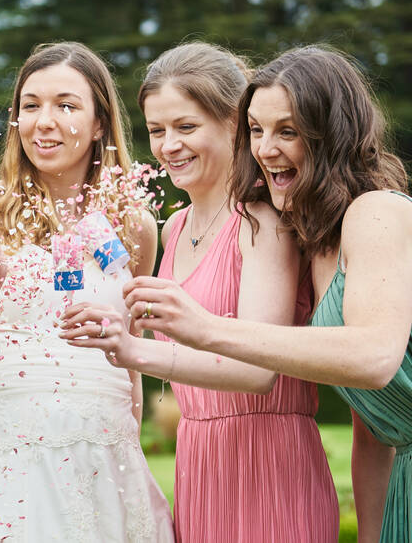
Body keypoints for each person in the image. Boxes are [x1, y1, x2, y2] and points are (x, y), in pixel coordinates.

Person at [126, 45, 412, 542]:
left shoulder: (377, 212)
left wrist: (205, 329)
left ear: (332, 134)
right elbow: (373, 426)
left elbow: (373, 357)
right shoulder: (319, 247)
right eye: (257, 130)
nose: (265, 149)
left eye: (287, 131)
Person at [61, 42, 338, 542]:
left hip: (268, 460)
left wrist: (131, 349)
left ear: (234, 123)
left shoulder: (262, 222)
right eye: (157, 131)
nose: (169, 145)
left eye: (186, 127)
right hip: (199, 461)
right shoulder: (175, 227)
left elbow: (256, 372)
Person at [0, 42, 173, 542]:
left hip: (105, 463)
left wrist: (132, 458)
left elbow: (130, 365)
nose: (44, 121)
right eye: (31, 105)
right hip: (7, 465)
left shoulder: (135, 224)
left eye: (66, 105)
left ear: (99, 123)